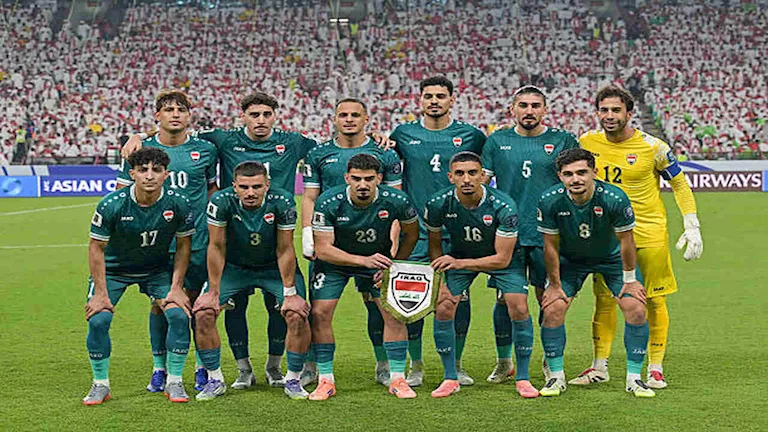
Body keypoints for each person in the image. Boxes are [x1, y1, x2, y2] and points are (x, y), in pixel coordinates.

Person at [575, 86, 703, 389]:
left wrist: (691, 222)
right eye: (604, 110)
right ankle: (599, 366)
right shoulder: (587, 142)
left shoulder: (653, 147)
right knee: (604, 299)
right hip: (605, 236)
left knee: (654, 299)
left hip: (648, 233)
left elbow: (679, 183)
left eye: (616, 110)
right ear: (597, 113)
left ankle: (655, 368)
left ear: (629, 113)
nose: (609, 116)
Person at [116, 90, 218, 393]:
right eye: (168, 109)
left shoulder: (206, 150)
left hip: (197, 241)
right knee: (160, 305)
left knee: (197, 305)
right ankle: (159, 368)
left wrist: (216, 233)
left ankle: (202, 366)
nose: (175, 114)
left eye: (181, 109)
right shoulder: (140, 149)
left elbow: (212, 191)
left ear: (189, 115)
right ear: (157, 115)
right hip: (157, 244)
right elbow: (122, 196)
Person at [389, 76, 486, 387]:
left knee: (458, 300)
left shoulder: (471, 135)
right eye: (428, 96)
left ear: (451, 100)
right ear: (420, 100)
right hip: (416, 232)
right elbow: (388, 163)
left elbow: (485, 172)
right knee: (411, 299)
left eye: (440, 96)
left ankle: (456, 364)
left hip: (457, 233)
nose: (434, 101)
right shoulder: (403, 133)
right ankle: (416, 365)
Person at [480, 85, 578, 388]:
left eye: (536, 105)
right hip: (507, 234)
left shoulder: (562, 140)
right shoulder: (497, 141)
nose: (529, 110)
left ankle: (551, 361)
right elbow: (482, 184)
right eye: (523, 105)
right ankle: (504, 361)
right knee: (504, 299)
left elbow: (578, 180)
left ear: (545, 110)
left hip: (548, 234)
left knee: (547, 299)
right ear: (512, 109)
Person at [537, 148, 655, 398]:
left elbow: (626, 241)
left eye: (582, 172)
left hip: (612, 259)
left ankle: (634, 379)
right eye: (568, 174)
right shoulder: (549, 200)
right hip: (571, 261)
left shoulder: (614, 198)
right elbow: (550, 246)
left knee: (636, 308)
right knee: (553, 308)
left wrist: (630, 280)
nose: (575, 179)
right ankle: (556, 377)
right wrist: (554, 284)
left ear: (594, 172)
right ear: (560, 176)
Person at [301, 98, 403, 386]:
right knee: (318, 310)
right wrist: (308, 233)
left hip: (374, 243)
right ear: (334, 119)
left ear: (366, 119)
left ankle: (384, 365)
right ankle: (313, 367)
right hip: (331, 242)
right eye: (343, 115)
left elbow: (396, 203)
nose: (349, 119)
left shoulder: (385, 153)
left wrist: (393, 247)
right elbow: (309, 197)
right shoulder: (318, 153)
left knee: (379, 307)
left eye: (355, 115)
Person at [83, 147, 195, 405]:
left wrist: (176, 287)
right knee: (98, 320)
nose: (150, 175)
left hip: (156, 270)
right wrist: (100, 293)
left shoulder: (179, 202)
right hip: (114, 271)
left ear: (166, 174)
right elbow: (96, 248)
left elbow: (183, 246)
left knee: (179, 315)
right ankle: (100, 384)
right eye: (143, 170)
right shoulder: (112, 204)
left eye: (157, 170)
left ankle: (174, 380)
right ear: (132, 173)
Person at [193, 161, 311, 400]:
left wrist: (290, 293)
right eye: (244, 187)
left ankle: (292, 378)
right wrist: (213, 292)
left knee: (296, 313)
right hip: (234, 268)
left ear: (267, 184)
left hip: (272, 267)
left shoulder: (283, 201)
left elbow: (285, 248)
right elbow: (216, 246)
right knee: (203, 312)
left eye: (257, 186)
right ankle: (215, 379)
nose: (250, 192)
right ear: (234, 186)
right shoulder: (220, 201)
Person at [424, 152, 538, 398]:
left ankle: (523, 378)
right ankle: (450, 377)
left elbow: (502, 259)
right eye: (460, 173)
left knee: (518, 306)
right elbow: (434, 243)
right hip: (459, 256)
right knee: (444, 305)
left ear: (482, 175)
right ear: (450, 177)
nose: (466, 179)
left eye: (472, 173)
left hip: (501, 260)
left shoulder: (503, 205)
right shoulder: (437, 203)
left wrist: (459, 263)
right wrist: (439, 276)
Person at [308, 153, 420, 400]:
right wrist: (363, 260)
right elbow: (323, 249)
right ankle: (325, 380)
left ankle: (398, 379)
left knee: (394, 314)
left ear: (379, 178)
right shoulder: (328, 201)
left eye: (369, 179)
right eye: (356, 179)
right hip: (335, 263)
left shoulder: (397, 200)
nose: (362, 184)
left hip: (378, 263)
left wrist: (395, 265)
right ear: (347, 178)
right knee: (320, 313)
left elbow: (412, 234)